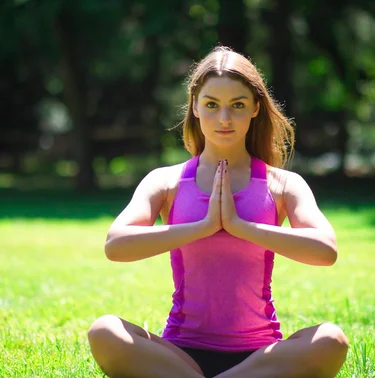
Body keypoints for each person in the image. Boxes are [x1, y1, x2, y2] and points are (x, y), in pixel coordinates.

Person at [87, 46, 349, 378]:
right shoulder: (166, 181)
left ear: (255, 108)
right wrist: (205, 225)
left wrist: (240, 226)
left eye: (237, 105)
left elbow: (326, 250)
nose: (224, 119)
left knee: (331, 340)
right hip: (181, 357)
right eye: (212, 105)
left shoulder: (282, 184)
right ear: (195, 106)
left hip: (259, 357)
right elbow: (116, 244)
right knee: (105, 331)